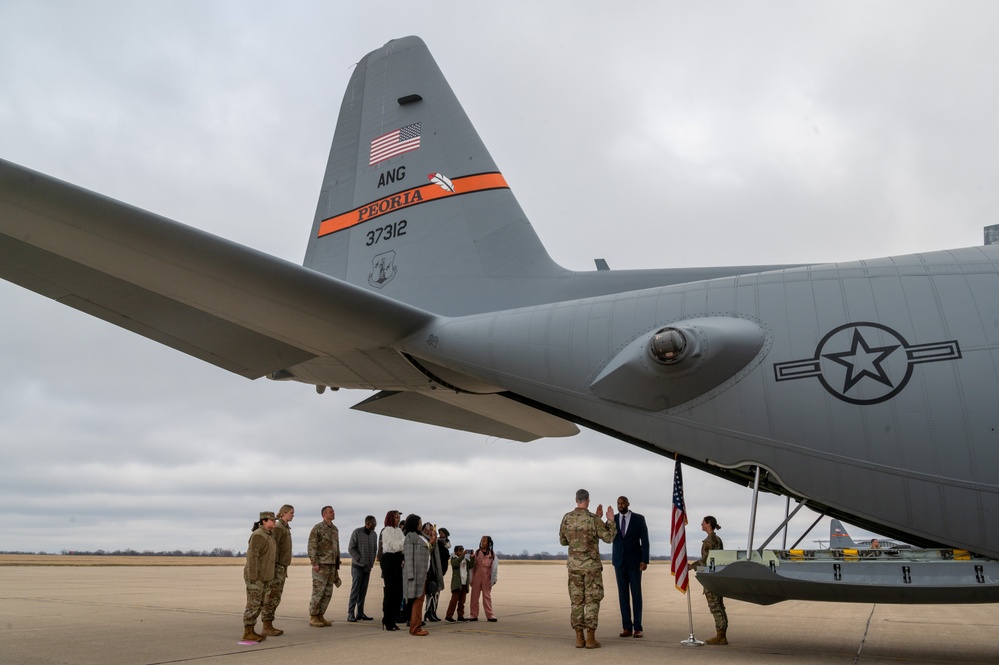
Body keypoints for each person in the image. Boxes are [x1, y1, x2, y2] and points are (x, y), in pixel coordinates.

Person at [559, 488, 616, 649]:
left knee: (577, 601)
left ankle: (579, 637)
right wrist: (609, 520)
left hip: (574, 567)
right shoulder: (592, 519)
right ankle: (590, 638)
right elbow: (609, 537)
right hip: (591, 568)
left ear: (576, 500)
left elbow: (563, 541)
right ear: (588, 500)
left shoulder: (567, 518)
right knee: (592, 601)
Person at [612, 496, 649, 638]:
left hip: (635, 562)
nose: (620, 505)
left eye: (622, 503)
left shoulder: (639, 519)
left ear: (628, 504)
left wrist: (644, 559)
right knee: (623, 596)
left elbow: (645, 541)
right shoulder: (613, 520)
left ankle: (638, 627)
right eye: (618, 503)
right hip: (619, 562)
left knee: (636, 595)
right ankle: (626, 627)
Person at [689, 515, 728, 645]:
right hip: (718, 576)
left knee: (715, 606)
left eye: (703, 523)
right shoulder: (718, 539)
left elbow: (705, 561)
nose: (701, 524)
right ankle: (721, 634)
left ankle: (720, 636)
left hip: (711, 578)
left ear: (708, 524)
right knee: (719, 606)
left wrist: (691, 566)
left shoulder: (709, 541)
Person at [242, 511, 277, 642]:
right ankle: (248, 631)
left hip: (265, 576)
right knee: (253, 604)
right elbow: (252, 557)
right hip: (256, 576)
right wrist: (253, 576)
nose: (274, 522)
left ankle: (251, 630)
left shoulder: (269, 535)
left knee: (260, 603)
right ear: (264, 521)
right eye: (272, 520)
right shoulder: (258, 535)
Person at [260, 504, 294, 636]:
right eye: (291, 513)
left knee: (276, 597)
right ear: (284, 513)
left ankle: (269, 624)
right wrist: (274, 566)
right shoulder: (279, 528)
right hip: (277, 566)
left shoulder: (285, 527)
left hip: (282, 566)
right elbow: (273, 547)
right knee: (272, 596)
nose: (293, 515)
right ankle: (266, 625)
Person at [402, 513, 435, 636]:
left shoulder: (421, 537)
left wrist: (431, 542)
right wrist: (410, 575)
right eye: (419, 523)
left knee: (420, 599)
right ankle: (415, 628)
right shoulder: (410, 537)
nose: (421, 525)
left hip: (423, 572)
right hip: (416, 573)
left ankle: (416, 626)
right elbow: (409, 557)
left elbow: (427, 550)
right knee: (418, 599)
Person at [308, 505, 341, 628]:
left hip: (332, 565)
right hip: (321, 565)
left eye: (333, 511)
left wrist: (337, 563)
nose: (333, 513)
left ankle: (321, 615)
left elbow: (336, 547)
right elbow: (312, 546)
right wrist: (314, 562)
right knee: (318, 592)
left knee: (328, 592)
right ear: (324, 514)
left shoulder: (335, 529)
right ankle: (313, 616)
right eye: (330, 512)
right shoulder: (318, 528)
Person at [347, 515, 378, 622]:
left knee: (363, 591)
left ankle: (360, 613)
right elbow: (351, 549)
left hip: (368, 568)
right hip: (358, 567)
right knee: (355, 590)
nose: (375, 524)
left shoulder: (374, 534)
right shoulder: (357, 532)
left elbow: (375, 549)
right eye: (374, 523)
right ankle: (350, 613)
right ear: (368, 523)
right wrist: (360, 559)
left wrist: (372, 562)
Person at [378, 510, 404, 631]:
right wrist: (405, 541)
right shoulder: (386, 531)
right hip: (389, 560)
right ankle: (387, 619)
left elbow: (401, 548)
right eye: (396, 517)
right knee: (390, 590)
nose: (398, 519)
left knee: (398, 591)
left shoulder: (398, 531)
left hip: (398, 559)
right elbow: (393, 546)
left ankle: (393, 618)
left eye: (399, 517)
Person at [468, 535, 498, 622]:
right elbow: (472, 566)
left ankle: (490, 614)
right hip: (477, 576)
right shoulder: (477, 553)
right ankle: (473, 614)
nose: (482, 542)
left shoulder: (492, 554)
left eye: (484, 541)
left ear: (488, 543)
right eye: (481, 540)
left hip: (486, 577)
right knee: (474, 596)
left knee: (487, 596)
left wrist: (493, 579)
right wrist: (471, 578)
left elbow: (494, 567)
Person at [423, 522, 445, 623]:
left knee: (435, 592)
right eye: (429, 529)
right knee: (430, 591)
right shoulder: (425, 541)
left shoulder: (436, 542)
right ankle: (428, 611)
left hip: (435, 569)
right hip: (429, 569)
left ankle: (433, 611)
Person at [444, 544, 473, 622]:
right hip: (457, 583)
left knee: (462, 602)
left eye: (462, 550)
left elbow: (471, 565)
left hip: (464, 583)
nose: (461, 552)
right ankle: (449, 616)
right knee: (454, 601)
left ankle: (460, 616)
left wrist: (472, 557)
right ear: (456, 552)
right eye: (460, 551)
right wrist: (462, 556)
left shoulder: (465, 560)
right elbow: (455, 564)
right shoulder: (454, 558)